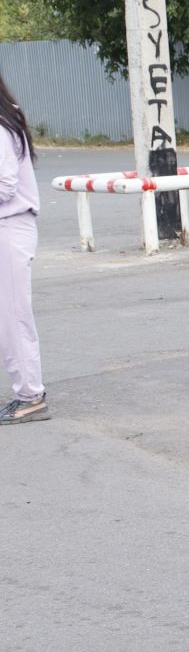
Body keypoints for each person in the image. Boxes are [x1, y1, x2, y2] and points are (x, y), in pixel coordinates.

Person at [0, 71, 47, 426]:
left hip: (10, 226)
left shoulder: (2, 125)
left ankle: (30, 396)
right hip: (9, 225)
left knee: (14, 316)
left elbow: (4, 185)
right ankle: (26, 392)